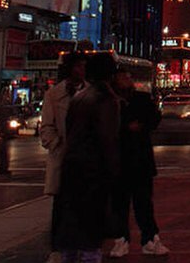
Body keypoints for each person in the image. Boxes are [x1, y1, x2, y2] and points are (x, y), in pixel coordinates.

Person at [53, 51, 122, 263]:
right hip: (94, 173)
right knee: (92, 235)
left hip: (72, 169)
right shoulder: (106, 99)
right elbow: (108, 139)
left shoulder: (79, 97)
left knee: (73, 232)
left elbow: (69, 131)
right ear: (110, 74)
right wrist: (114, 173)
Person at [110, 67, 167, 257]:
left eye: (128, 77)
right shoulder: (111, 101)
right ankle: (121, 240)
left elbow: (155, 118)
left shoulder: (141, 98)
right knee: (120, 205)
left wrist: (140, 125)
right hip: (120, 161)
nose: (127, 80)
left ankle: (150, 239)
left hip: (140, 160)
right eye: (123, 77)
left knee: (143, 204)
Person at [42, 53, 88, 263]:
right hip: (64, 158)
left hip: (86, 158)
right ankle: (57, 248)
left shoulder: (91, 93)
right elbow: (46, 128)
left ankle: (81, 246)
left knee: (84, 206)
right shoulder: (54, 95)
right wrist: (56, 145)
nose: (82, 70)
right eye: (78, 66)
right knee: (61, 207)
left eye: (83, 66)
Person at [0, 96, 19, 175]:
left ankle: (3, 168)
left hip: (3, 133)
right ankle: (3, 168)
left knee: (3, 152)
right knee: (3, 152)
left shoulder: (1, 110)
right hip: (3, 133)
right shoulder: (3, 111)